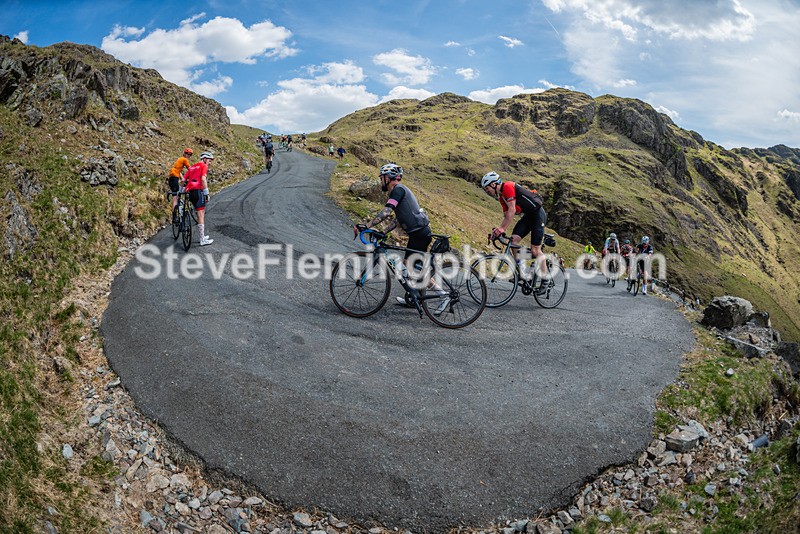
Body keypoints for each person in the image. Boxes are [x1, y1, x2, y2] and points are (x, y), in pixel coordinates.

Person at [356, 163, 448, 313]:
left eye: (381, 178)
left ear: (388, 177)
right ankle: (414, 298)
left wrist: (368, 225)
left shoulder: (397, 190)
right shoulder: (400, 191)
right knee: (408, 267)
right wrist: (384, 232)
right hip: (417, 233)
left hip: (419, 234)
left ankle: (443, 295)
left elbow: (386, 212)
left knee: (412, 270)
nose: (380, 181)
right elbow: (397, 219)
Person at [480, 171, 547, 273]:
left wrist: (502, 229)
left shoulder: (508, 186)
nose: (486, 191)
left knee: (535, 250)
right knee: (513, 242)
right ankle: (522, 272)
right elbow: (507, 215)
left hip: (538, 215)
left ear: (493, 184)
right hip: (528, 217)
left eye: (487, 188)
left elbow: (512, 210)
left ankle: (545, 279)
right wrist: (498, 231)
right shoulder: (501, 197)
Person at [182, 152, 215, 246]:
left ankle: (202, 236)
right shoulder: (203, 166)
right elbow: (203, 179)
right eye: (209, 160)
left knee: (198, 213)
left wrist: (180, 190)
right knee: (201, 214)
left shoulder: (192, 167)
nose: (210, 162)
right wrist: (206, 193)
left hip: (190, 191)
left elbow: (183, 180)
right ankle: (202, 239)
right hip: (198, 191)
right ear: (204, 159)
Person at [168, 148, 193, 213]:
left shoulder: (179, 159)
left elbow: (178, 171)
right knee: (175, 197)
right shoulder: (184, 159)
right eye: (187, 154)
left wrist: (183, 178)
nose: (189, 155)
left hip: (172, 179)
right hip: (174, 178)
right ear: (184, 153)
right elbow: (190, 170)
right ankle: (175, 215)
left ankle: (176, 214)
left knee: (177, 194)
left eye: (190, 154)